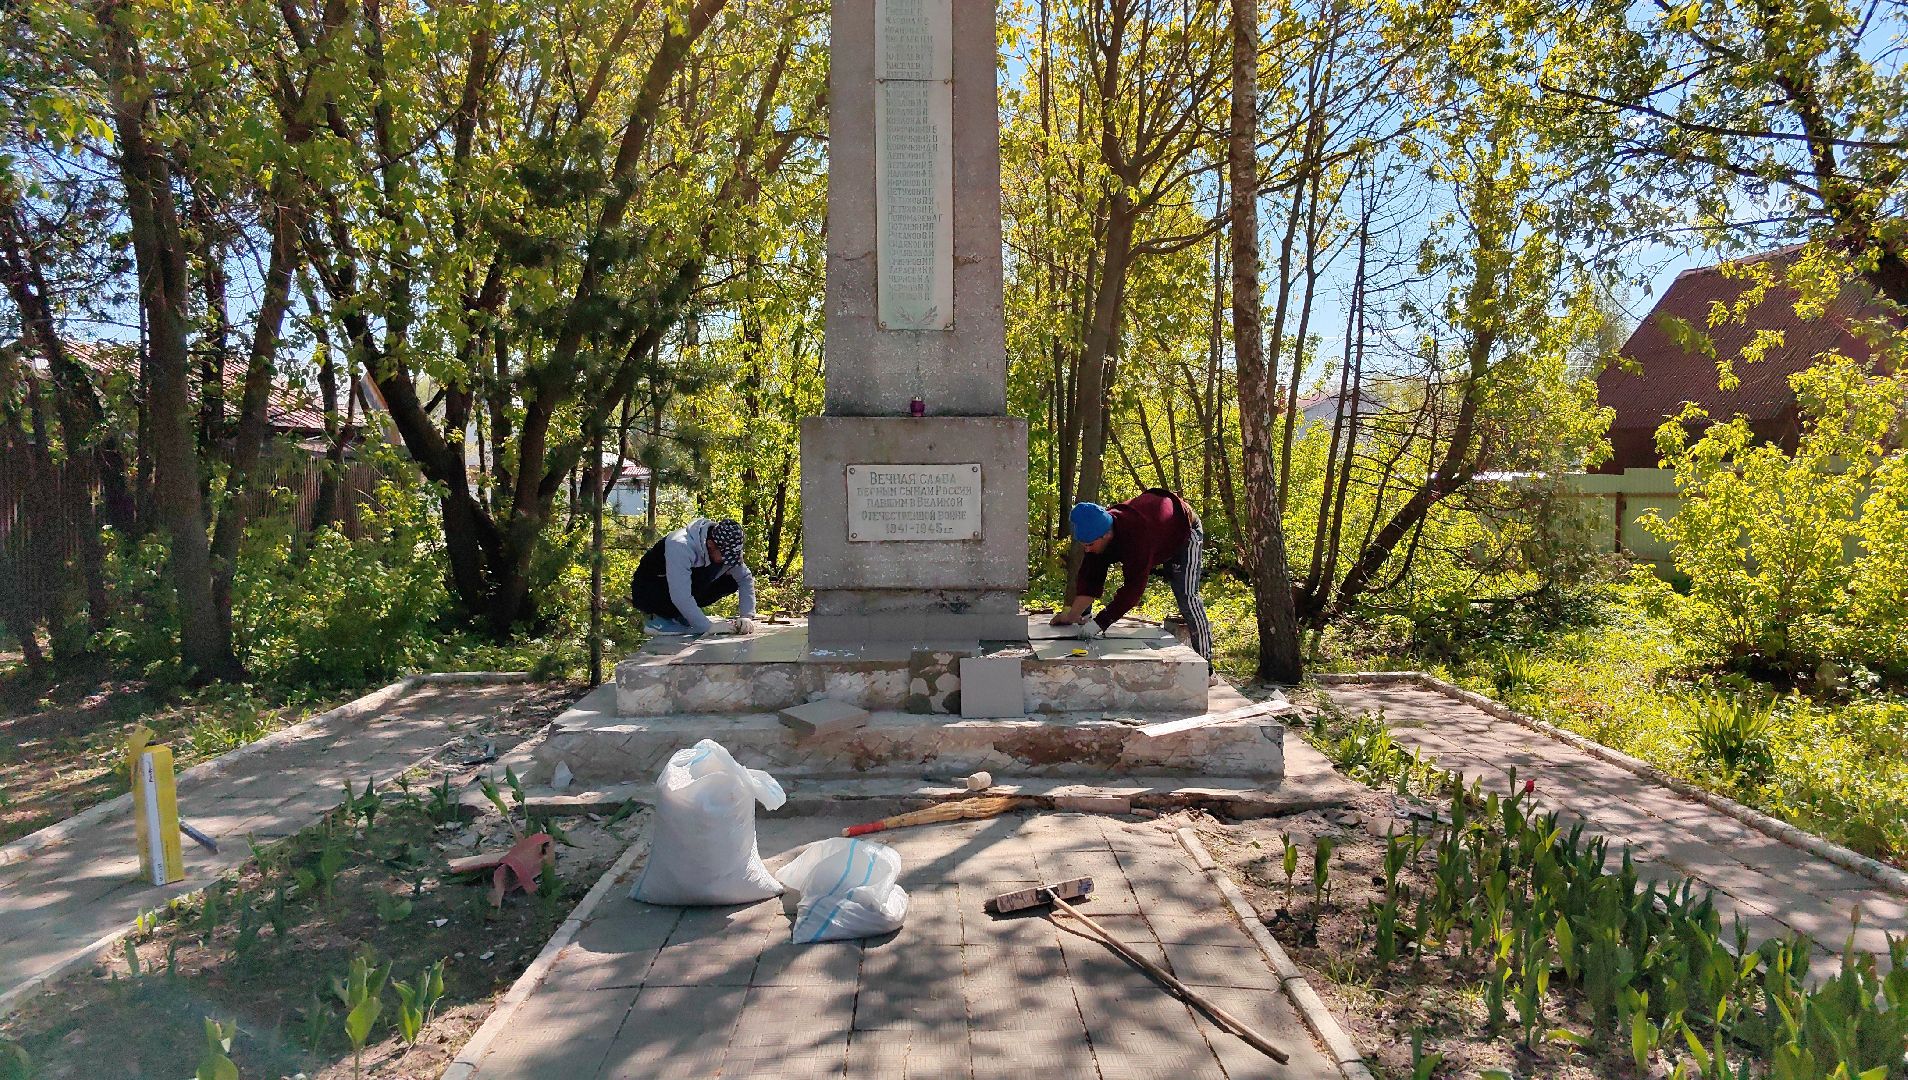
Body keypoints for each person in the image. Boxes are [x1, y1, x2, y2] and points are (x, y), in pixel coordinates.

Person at [1051, 488, 1212, 661]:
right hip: (1157, 532)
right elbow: (1090, 580)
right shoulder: (1097, 531)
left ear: (1107, 534)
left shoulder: (1137, 537)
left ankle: (1206, 664)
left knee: (1187, 596)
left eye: (1089, 544)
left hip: (1184, 528)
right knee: (1093, 562)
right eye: (1084, 545)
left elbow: (1133, 590)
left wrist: (1100, 623)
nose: (1087, 549)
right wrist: (1072, 616)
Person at [629, 518, 758, 635]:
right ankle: (660, 620)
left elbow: (744, 578)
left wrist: (746, 616)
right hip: (648, 592)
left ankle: (680, 616)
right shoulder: (680, 545)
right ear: (710, 544)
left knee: (730, 581)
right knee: (700, 578)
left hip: (677, 588)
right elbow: (680, 595)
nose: (728, 560)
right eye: (726, 555)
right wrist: (708, 627)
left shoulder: (722, 550)